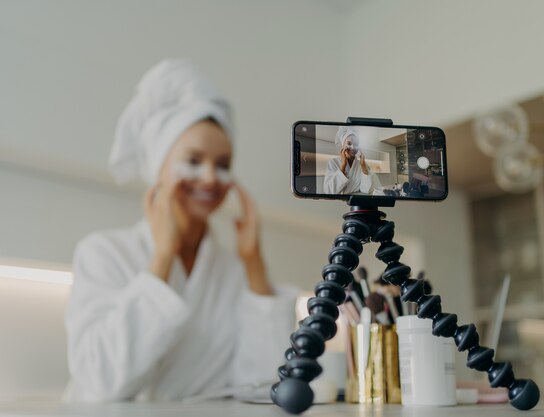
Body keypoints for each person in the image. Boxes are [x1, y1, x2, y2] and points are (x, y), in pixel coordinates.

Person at [63, 59, 297, 402]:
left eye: (222, 165)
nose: (209, 177)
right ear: (159, 166)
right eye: (193, 160)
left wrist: (253, 261)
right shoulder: (102, 253)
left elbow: (263, 387)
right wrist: (162, 257)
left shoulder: (233, 270)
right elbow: (100, 381)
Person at [323, 127, 373, 194]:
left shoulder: (361, 164)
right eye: (349, 143)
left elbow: (366, 190)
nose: (353, 147)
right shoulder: (333, 163)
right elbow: (329, 191)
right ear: (342, 146)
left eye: (356, 144)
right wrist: (343, 166)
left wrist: (363, 166)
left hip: (356, 200)